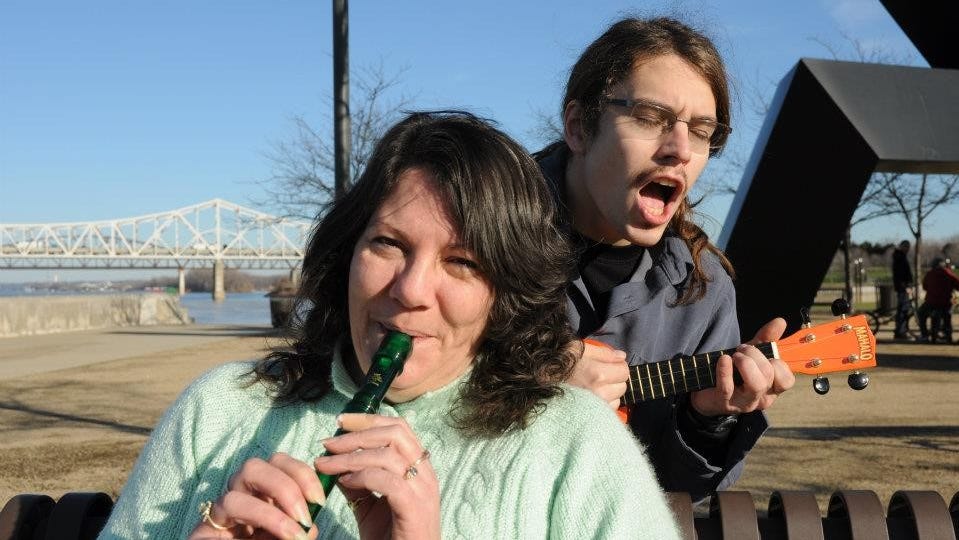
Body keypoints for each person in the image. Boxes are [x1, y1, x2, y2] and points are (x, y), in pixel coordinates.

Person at [97, 111, 679, 539]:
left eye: (463, 262)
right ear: (347, 252)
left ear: (505, 295)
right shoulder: (219, 408)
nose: (409, 291)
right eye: (387, 244)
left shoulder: (577, 444)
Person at [533, 17, 795, 501]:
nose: (679, 150)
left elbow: (677, 498)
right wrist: (530, 385)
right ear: (577, 127)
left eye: (701, 131)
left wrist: (706, 420)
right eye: (650, 117)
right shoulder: (473, 236)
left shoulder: (704, 287)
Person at [917, 257, 959, 343]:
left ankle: (924, 335)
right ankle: (948, 335)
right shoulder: (949, 273)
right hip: (946, 302)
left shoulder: (929, 274)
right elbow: (958, 285)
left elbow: (925, 286)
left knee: (921, 313)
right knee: (947, 317)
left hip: (931, 302)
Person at [892, 240, 914, 339]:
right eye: (906, 247)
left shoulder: (900, 257)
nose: (908, 249)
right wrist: (906, 287)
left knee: (902, 309)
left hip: (902, 287)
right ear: (902, 247)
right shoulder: (900, 258)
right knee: (903, 310)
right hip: (903, 288)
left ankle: (899, 330)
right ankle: (901, 331)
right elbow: (900, 275)